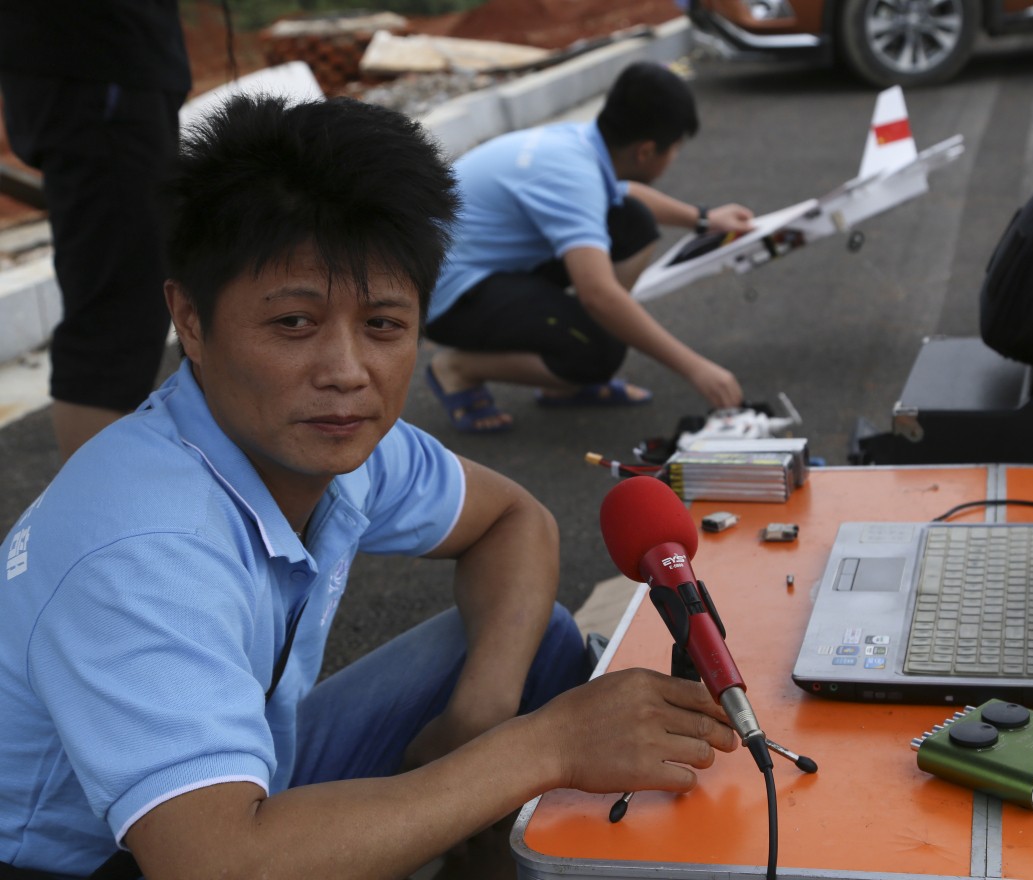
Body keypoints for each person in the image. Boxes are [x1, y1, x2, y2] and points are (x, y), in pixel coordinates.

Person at [0, 95, 739, 879]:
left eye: (383, 325)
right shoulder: (144, 545)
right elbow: (212, 863)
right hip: (101, 859)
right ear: (189, 316)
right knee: (548, 726)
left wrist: (478, 720)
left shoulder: (320, 438)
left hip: (239, 792)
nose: (347, 373)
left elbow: (516, 522)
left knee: (535, 643)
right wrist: (542, 747)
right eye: (293, 323)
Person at [423, 61, 755, 433]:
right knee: (599, 351)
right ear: (646, 151)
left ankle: (564, 368)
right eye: (673, 149)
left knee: (631, 222)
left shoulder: (580, 144)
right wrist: (697, 368)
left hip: (475, 267)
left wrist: (705, 219)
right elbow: (597, 294)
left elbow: (624, 195)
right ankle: (457, 368)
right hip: (446, 299)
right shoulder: (573, 176)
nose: (672, 157)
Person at [0, 0, 192, 462]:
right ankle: (100, 523)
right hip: (97, 67)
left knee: (144, 295)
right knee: (116, 315)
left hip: (115, 67)